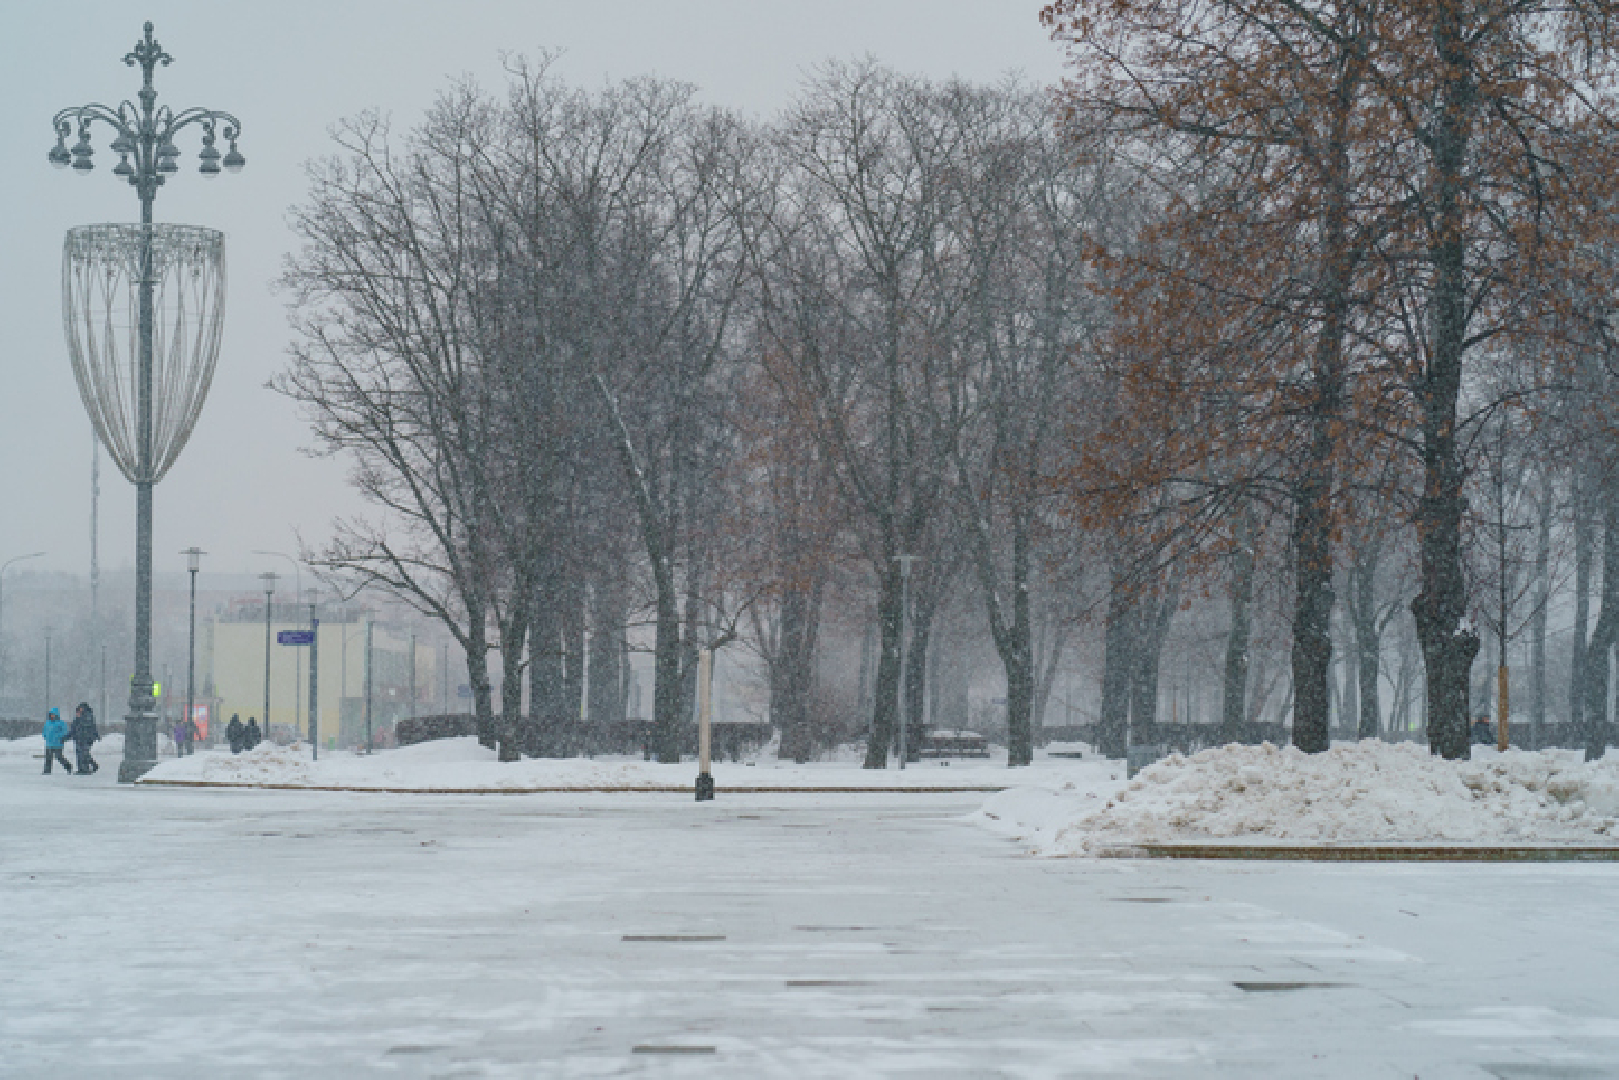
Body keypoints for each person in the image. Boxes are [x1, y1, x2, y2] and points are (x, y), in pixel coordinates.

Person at [69, 703, 100, 775]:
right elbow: (74, 728)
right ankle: (82, 768)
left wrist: (95, 735)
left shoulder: (88, 717)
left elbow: (91, 727)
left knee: (84, 754)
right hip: (78, 738)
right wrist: (69, 736)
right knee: (80, 754)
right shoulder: (77, 718)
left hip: (86, 739)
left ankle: (85, 769)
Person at [41, 708, 72, 775]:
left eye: (53, 714)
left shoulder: (61, 723)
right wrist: (45, 736)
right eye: (51, 714)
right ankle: (47, 771)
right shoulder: (47, 723)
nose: (52, 716)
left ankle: (68, 766)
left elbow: (65, 732)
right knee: (48, 758)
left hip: (58, 743)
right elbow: (44, 731)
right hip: (49, 744)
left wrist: (58, 736)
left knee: (59, 757)